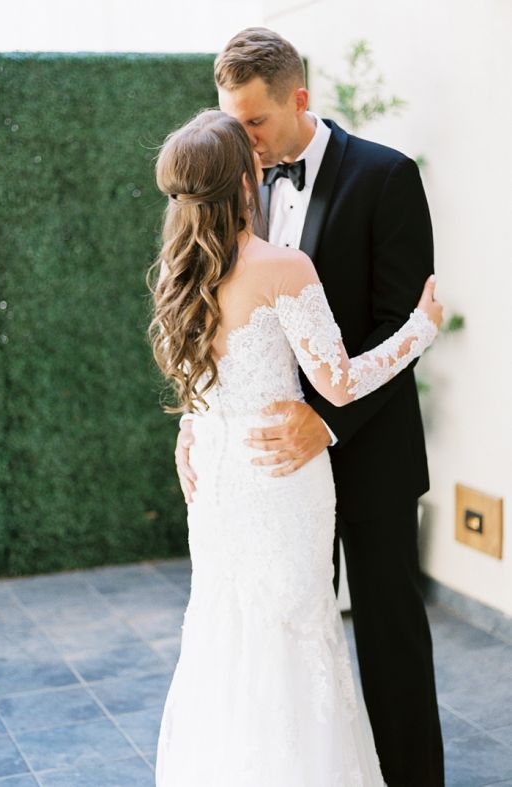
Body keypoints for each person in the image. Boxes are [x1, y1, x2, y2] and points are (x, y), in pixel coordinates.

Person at [171, 28, 445, 787]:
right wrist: (199, 421)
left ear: (299, 98)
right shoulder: (228, 182)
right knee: (283, 638)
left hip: (370, 449)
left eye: (255, 121)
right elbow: (219, 328)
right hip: (272, 480)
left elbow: (397, 321)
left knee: (389, 638)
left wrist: (323, 423)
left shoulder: (386, 177)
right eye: (231, 122)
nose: (244, 139)